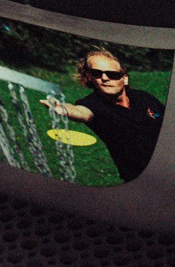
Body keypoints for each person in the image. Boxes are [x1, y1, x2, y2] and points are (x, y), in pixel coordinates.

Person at [45, 49, 165, 182]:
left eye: (112, 74)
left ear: (124, 78)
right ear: (89, 77)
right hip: (141, 178)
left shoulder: (144, 97)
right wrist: (63, 109)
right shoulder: (92, 103)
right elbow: (82, 112)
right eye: (97, 73)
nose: (104, 78)